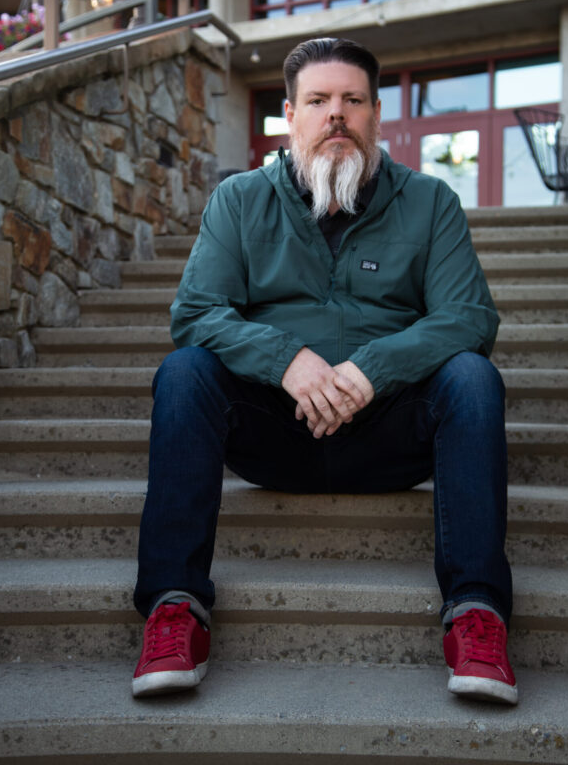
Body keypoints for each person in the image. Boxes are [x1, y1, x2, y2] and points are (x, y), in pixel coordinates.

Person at [132, 37, 517, 705]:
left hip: (390, 437)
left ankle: (475, 613)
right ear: (289, 114)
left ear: (375, 115)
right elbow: (196, 312)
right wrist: (286, 361)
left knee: (471, 378)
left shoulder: (430, 202)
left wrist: (369, 369)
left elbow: (468, 317)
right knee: (185, 370)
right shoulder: (239, 200)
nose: (335, 114)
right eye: (317, 101)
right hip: (272, 434)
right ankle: (174, 609)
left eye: (352, 100)